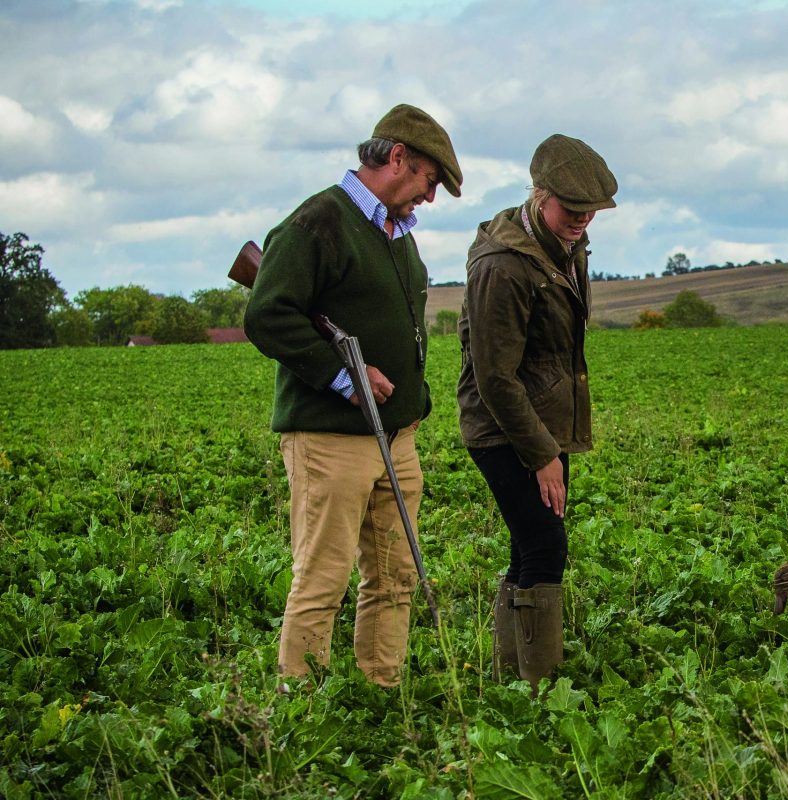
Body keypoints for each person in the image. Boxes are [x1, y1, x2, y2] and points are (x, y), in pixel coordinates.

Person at [244, 104, 462, 687]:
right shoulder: (318, 222)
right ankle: (302, 710)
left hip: (398, 437)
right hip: (331, 439)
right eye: (429, 181)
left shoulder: (396, 234)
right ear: (397, 158)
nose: (430, 198)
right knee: (322, 580)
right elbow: (267, 316)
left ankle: (379, 691)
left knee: (395, 578)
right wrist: (346, 376)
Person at [456, 134, 617, 694]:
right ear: (539, 195)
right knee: (547, 546)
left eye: (591, 212)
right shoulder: (503, 264)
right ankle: (542, 687)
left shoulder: (564, 247)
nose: (582, 220)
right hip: (504, 428)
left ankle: (511, 679)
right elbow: (493, 376)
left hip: (543, 421)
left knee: (529, 544)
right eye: (571, 210)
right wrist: (543, 453)